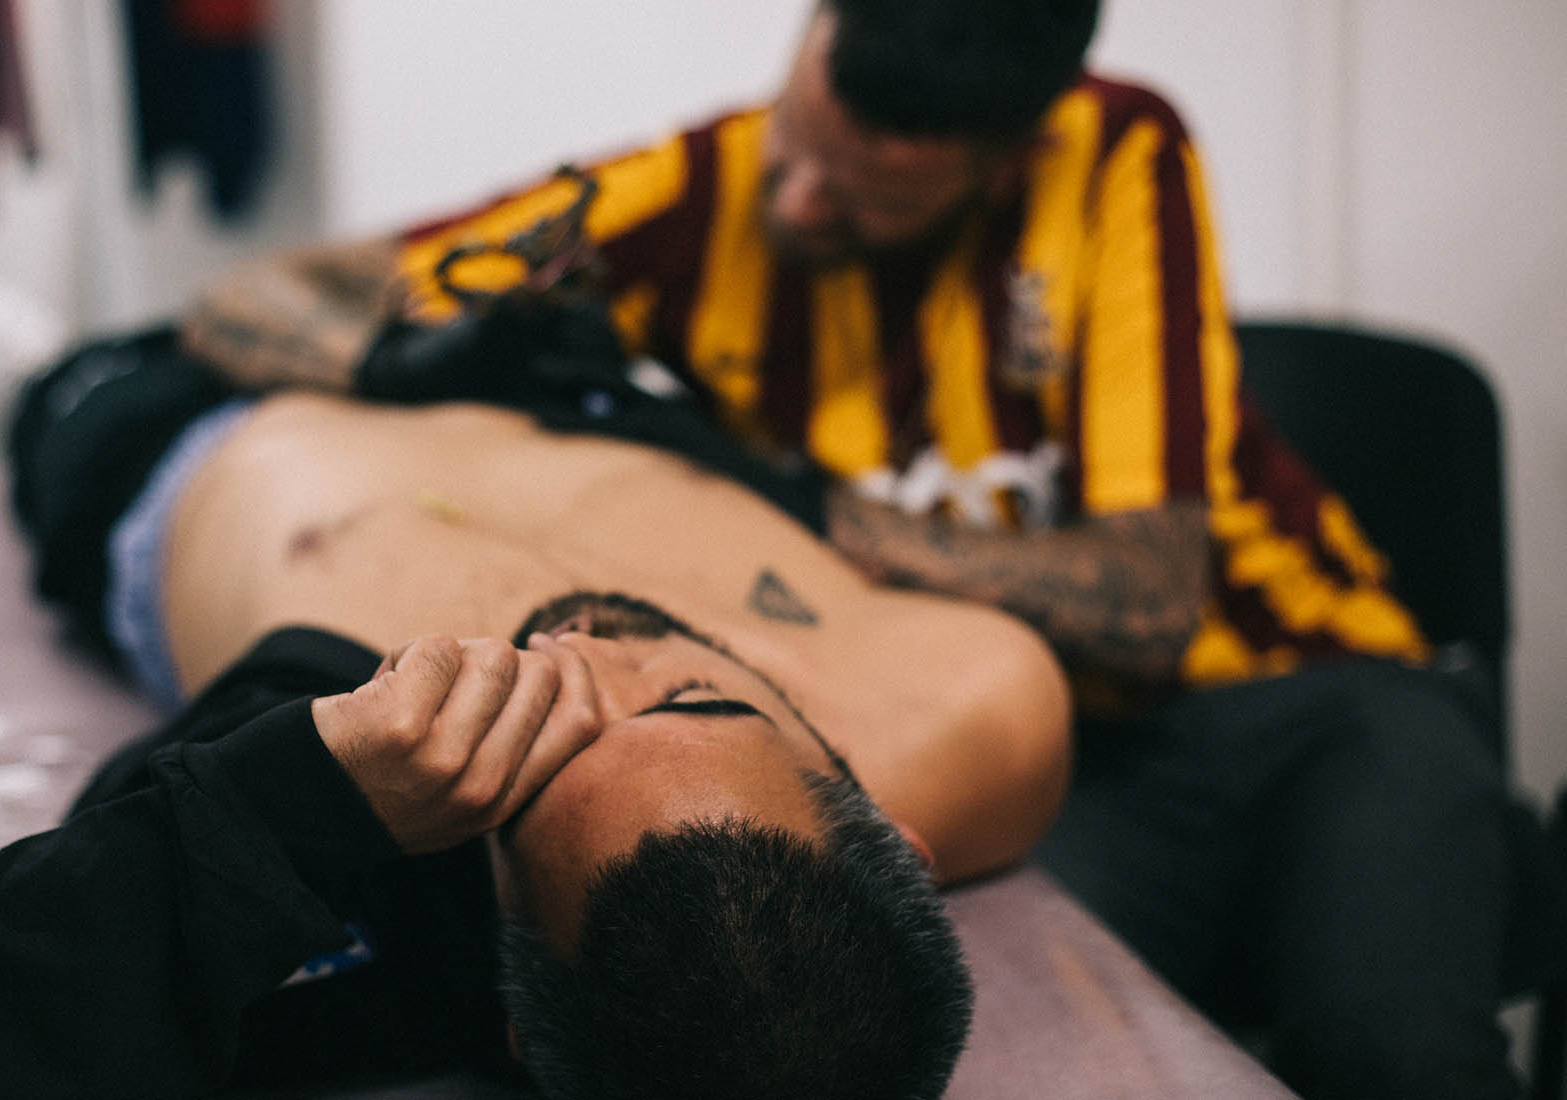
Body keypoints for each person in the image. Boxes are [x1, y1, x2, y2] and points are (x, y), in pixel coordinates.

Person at [174, 2, 1561, 1096]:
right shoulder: (703, 185)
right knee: (918, 1039)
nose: (796, 207)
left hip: (1315, 705)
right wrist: (402, 357)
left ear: (1005, 155)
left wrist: (800, 501)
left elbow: (1145, 599)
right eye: (800, 149)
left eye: (862, 200)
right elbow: (256, 297)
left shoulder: (1110, 151)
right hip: (1076, 760)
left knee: (1393, 1061)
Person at [0, 327, 1070, 1098]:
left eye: (541, 764)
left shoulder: (387, 911)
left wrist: (299, 794)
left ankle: (20, 353)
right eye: (697, 699)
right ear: (887, 831)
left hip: (178, 448)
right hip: (475, 379)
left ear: (514, 992)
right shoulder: (973, 712)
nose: (586, 657)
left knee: (71, 383)